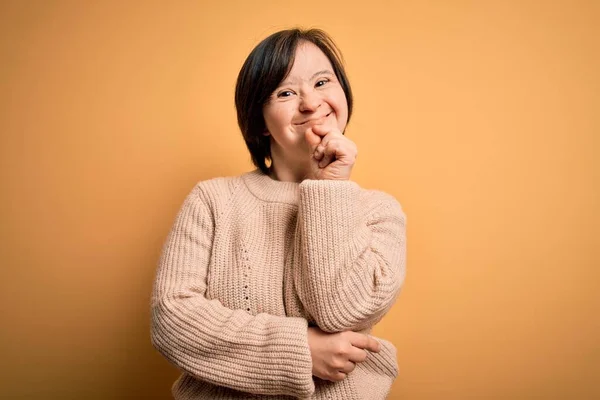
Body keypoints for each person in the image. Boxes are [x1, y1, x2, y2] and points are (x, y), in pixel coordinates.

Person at [151, 28, 407, 400]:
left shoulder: (379, 212)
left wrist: (330, 188)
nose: (310, 103)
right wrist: (299, 350)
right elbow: (172, 320)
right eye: (285, 92)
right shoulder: (212, 199)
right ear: (258, 119)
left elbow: (342, 313)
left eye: (323, 82)